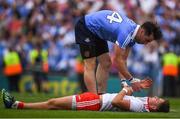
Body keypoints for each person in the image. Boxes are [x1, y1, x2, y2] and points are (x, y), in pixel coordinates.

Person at [75, 10, 162, 94]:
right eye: (147, 40)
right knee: (90, 64)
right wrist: (132, 80)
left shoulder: (133, 36)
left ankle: (101, 95)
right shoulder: (127, 33)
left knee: (106, 63)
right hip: (86, 26)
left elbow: (123, 60)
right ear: (142, 31)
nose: (146, 44)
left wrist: (124, 82)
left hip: (97, 31)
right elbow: (117, 60)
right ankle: (93, 99)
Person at [2, 79, 169, 112]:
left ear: (154, 107)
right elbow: (124, 94)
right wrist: (130, 85)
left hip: (94, 103)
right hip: (95, 99)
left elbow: (118, 101)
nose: (155, 97)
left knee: (53, 103)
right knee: (54, 103)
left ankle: (16, 105)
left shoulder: (141, 107)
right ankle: (17, 104)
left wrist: (127, 89)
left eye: (157, 100)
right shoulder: (145, 102)